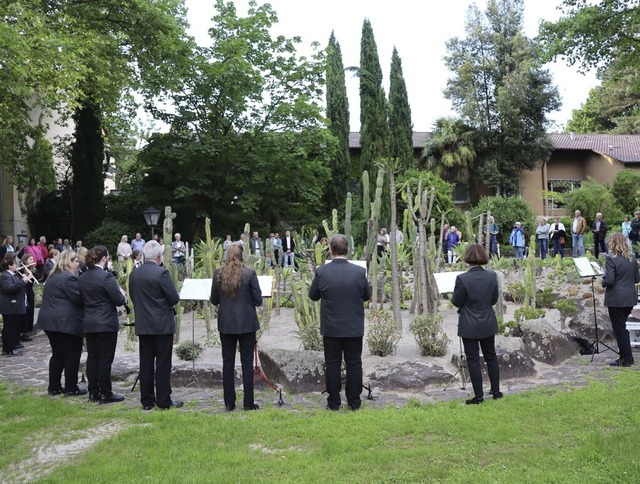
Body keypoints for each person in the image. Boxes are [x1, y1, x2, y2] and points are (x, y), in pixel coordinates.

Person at [309, 234, 372, 411]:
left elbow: (313, 296)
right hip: (353, 326)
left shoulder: (322, 272)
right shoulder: (359, 272)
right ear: (348, 250)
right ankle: (354, 402)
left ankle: (334, 402)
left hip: (331, 327)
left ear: (330, 250)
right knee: (354, 363)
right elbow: (367, 295)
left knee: (333, 365)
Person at [129, 240, 182, 410]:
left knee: (145, 362)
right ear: (159, 256)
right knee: (163, 363)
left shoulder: (134, 274)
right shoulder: (162, 273)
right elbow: (174, 298)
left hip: (144, 324)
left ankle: (146, 401)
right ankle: (163, 400)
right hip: (161, 325)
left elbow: (133, 297)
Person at [210, 243, 262, 411]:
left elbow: (214, 299)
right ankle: (248, 403)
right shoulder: (249, 273)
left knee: (228, 363)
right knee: (247, 363)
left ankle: (229, 403)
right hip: (246, 323)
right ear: (242, 255)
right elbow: (258, 300)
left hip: (226, 323)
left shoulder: (218, 274)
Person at [451, 244, 502, 404]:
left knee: (473, 360)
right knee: (491, 357)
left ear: (467, 258)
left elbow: (457, 301)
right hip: (487, 321)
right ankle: (496, 391)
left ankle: (479, 396)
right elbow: (493, 299)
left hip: (469, 323)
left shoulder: (462, 278)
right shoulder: (492, 276)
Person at [78, 246, 127, 404]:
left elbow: (81, 299)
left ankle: (93, 392)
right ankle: (106, 393)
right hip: (105, 322)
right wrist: (122, 294)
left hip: (90, 321)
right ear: (104, 259)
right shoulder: (106, 277)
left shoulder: (83, 277)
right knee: (105, 359)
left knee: (93, 357)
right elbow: (118, 300)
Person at [36, 250, 86, 396]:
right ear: (68, 262)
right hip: (65, 323)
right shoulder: (68, 278)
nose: (78, 264)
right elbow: (78, 298)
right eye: (76, 261)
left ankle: (54, 387)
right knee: (72, 355)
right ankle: (71, 387)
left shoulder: (53, 276)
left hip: (50, 322)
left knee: (57, 355)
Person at [602, 233, 640, 367]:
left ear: (612, 244)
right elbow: (637, 279)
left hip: (616, 299)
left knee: (619, 329)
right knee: (621, 328)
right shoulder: (633, 259)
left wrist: (603, 281)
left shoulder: (611, 259)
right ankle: (626, 357)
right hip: (629, 298)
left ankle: (626, 359)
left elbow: (610, 281)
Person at [0, 253, 29, 356]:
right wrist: (23, 281)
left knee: (14, 328)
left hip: (15, 306)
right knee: (9, 328)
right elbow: (9, 289)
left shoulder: (13, 274)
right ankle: (9, 348)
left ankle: (13, 346)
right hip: (10, 307)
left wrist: (24, 280)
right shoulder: (5, 276)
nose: (16, 265)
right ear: (9, 266)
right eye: (14, 264)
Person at [20, 253, 37, 343]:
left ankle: (29, 329)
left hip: (30, 292)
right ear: (25, 260)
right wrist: (27, 277)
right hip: (24, 292)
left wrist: (32, 274)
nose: (32, 261)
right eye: (30, 259)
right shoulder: (21, 270)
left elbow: (36, 278)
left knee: (31, 311)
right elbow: (22, 283)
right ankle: (23, 332)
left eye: (32, 259)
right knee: (25, 311)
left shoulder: (32, 269)